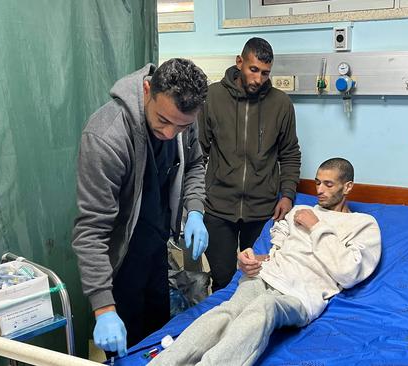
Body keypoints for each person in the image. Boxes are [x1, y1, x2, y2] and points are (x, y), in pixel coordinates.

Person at [151, 158, 381, 366]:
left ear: (348, 186)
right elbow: (276, 250)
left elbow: (348, 273)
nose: (319, 190)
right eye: (317, 182)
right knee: (227, 311)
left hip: (301, 295)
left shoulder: (362, 225)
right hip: (268, 276)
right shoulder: (299, 211)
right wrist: (252, 260)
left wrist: (317, 226)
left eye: (328, 185)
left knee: (263, 308)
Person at [71, 58, 210, 357]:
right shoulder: (106, 137)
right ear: (148, 90)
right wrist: (103, 307)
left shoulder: (183, 117)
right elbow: (91, 231)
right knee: (127, 348)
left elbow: (196, 164)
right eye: (162, 120)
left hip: (156, 248)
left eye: (181, 126)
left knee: (157, 342)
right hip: (120, 261)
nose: (171, 133)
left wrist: (195, 210)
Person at [198, 37, 301, 292]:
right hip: (217, 208)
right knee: (222, 280)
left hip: (262, 210)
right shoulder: (212, 97)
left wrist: (287, 195)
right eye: (253, 69)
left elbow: (289, 153)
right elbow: (197, 153)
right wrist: (195, 202)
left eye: (265, 73)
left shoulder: (281, 104)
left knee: (258, 280)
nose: (258, 79)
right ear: (239, 62)